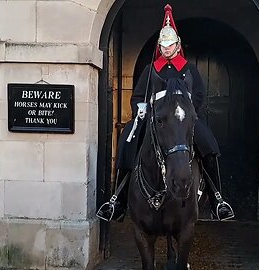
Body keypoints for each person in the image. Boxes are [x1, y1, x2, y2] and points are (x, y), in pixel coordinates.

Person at [97, 4, 234, 222]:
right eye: (163, 45)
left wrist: (188, 112)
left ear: (177, 45)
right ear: (159, 46)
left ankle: (218, 198)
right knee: (127, 141)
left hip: (182, 120)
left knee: (208, 143)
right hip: (154, 120)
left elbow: (199, 95)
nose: (166, 48)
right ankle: (118, 200)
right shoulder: (151, 69)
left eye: (170, 44)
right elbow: (138, 96)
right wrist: (140, 109)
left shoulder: (189, 70)